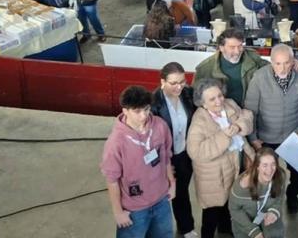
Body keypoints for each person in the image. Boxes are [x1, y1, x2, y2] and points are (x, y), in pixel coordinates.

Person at [101, 86, 176, 238]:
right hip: (135, 209)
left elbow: (166, 156)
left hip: (161, 200)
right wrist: (118, 212)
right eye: (137, 111)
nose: (143, 116)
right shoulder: (116, 142)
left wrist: (172, 183)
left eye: (146, 109)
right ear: (125, 111)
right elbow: (112, 180)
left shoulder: (160, 126)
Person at [244, 44, 298, 214]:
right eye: (278, 63)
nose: (282, 68)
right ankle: (268, 201)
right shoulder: (259, 77)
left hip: (293, 133)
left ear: (293, 61)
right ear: (271, 62)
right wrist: (253, 138)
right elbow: (250, 110)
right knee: (266, 173)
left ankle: (293, 194)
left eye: (287, 63)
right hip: (266, 136)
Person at [187, 77, 255, 238]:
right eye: (212, 99)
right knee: (212, 211)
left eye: (219, 95)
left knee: (230, 204)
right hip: (213, 176)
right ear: (202, 103)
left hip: (235, 165)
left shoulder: (229, 104)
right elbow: (196, 152)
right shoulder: (199, 120)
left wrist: (239, 126)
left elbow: (247, 115)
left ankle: (226, 229)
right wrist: (224, 136)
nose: (219, 101)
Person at [150, 62, 198, 238]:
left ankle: (186, 227)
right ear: (162, 82)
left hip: (184, 153)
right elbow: (150, 138)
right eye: (173, 83)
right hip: (165, 156)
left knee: (181, 192)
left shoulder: (188, 94)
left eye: (182, 82)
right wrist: (163, 163)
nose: (179, 87)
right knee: (161, 196)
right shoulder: (153, 103)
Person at [194, 29, 269, 107]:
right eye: (232, 47)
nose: (237, 51)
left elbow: (271, 69)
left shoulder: (253, 57)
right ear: (221, 48)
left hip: (249, 109)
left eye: (240, 46)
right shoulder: (205, 68)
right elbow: (198, 100)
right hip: (221, 113)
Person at [229, 147, 286, 238]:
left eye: (273, 164)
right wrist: (253, 231)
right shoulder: (243, 185)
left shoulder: (280, 176)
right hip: (245, 221)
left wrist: (274, 212)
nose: (270, 169)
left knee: (276, 234)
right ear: (257, 167)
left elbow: (279, 198)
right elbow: (234, 210)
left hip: (266, 215)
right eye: (265, 165)